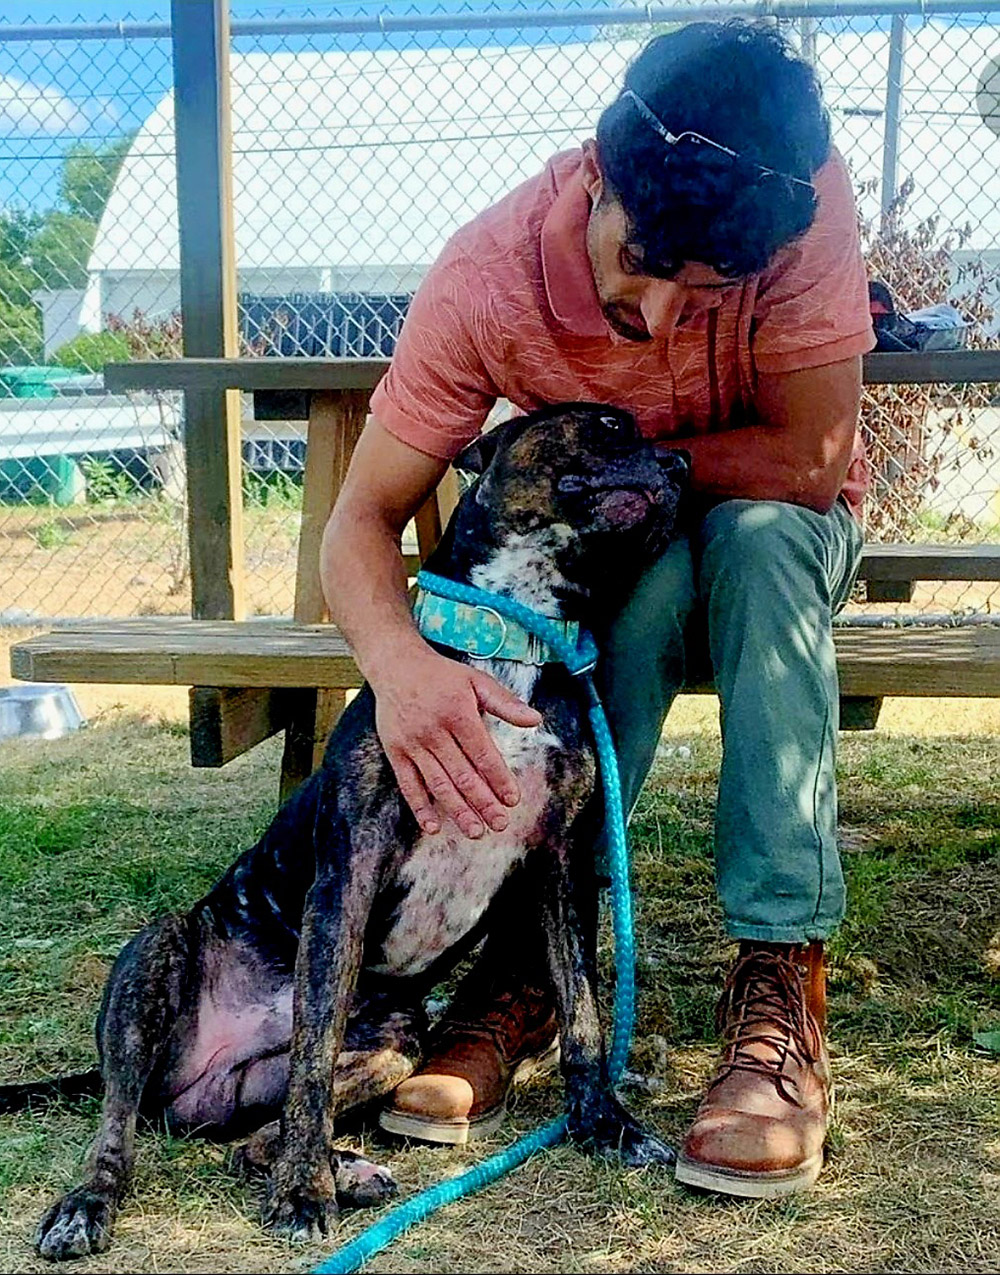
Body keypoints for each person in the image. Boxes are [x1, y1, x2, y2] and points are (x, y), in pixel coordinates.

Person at [319, 19, 875, 1198]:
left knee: (765, 543)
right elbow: (358, 518)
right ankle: (531, 962)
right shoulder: (483, 276)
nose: (666, 317)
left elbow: (810, 461)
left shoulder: (799, 196)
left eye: (708, 291)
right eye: (643, 265)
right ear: (595, 172)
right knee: (626, 586)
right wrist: (399, 663)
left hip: (775, 520)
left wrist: (619, 464)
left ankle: (779, 978)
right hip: (632, 550)